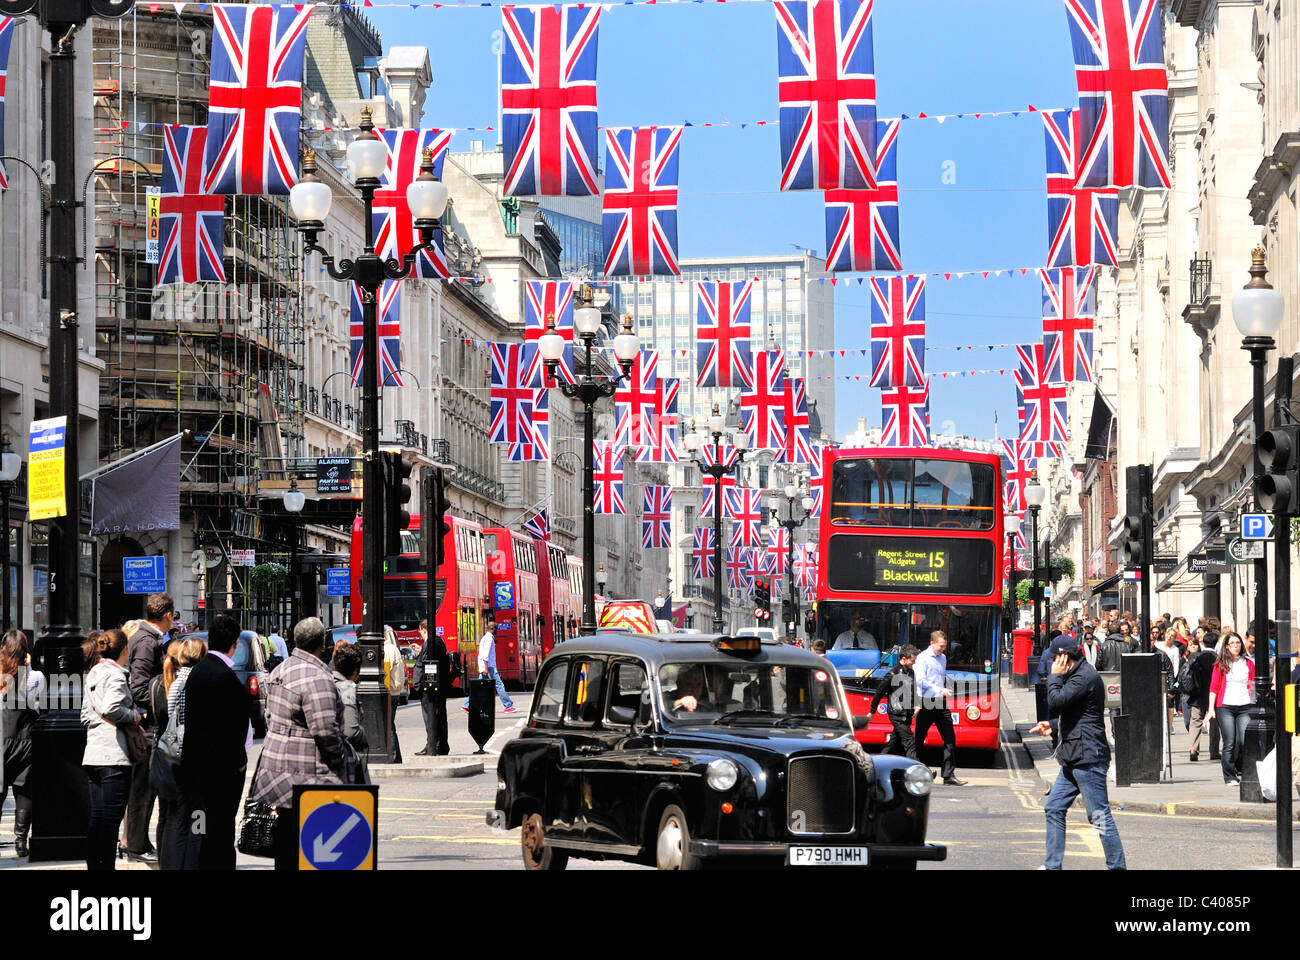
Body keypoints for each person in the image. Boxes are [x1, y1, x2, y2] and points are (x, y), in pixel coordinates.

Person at [250, 617, 351, 872]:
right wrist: (341, 760)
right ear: (323, 643)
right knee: (311, 847)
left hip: (276, 773)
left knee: (285, 844)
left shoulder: (280, 670)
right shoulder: (317, 678)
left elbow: (270, 718)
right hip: (309, 775)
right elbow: (325, 731)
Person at [1031, 635, 1126, 870]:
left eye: (1054, 658)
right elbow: (1079, 715)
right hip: (1075, 756)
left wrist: (1054, 676)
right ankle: (1052, 866)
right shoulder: (1077, 676)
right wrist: (1052, 726)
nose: (1052, 662)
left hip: (1088, 758)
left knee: (1099, 815)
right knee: (1053, 807)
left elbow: (1055, 701)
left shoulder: (1084, 677)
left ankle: (1117, 867)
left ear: (1063, 657)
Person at [181, 613, 266, 870]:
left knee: (200, 827)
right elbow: (236, 727)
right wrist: (240, 763)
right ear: (234, 643)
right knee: (222, 829)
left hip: (195, 770)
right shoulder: (227, 678)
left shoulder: (197, 672)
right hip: (221, 773)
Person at [81, 628, 145, 871]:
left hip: (93, 754)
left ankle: (94, 867)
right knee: (110, 822)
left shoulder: (94, 673)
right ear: (125, 650)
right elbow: (111, 708)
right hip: (114, 757)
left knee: (98, 819)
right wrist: (134, 716)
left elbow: (85, 716)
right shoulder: (117, 676)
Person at [124, 593, 175, 864]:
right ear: (167, 615)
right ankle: (136, 846)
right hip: (147, 726)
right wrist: (160, 701)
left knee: (146, 787)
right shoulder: (145, 641)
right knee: (142, 789)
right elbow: (139, 686)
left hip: (150, 723)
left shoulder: (151, 638)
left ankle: (139, 843)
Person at [158, 636, 204, 870]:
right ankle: (194, 860)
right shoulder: (202, 680)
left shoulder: (175, 682)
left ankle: (176, 863)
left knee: (180, 815)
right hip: (198, 756)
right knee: (199, 815)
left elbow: (170, 716)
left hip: (177, 755)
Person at [0, 630, 45, 859]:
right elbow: (40, 707)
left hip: (1, 739)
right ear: (26, 652)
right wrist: (28, 668)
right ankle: (20, 842)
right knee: (24, 791)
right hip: (26, 741)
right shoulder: (35, 677)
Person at [913, 630, 965, 786]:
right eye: (940, 646)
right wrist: (939, 690)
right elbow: (920, 681)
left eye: (944, 646)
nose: (942, 649)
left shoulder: (943, 658)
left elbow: (940, 678)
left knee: (950, 738)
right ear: (932, 643)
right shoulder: (922, 658)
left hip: (940, 702)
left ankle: (948, 775)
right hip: (926, 702)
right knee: (918, 740)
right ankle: (913, 771)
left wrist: (943, 690)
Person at [1208, 633, 1255, 786]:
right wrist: (1211, 709)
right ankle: (1229, 776)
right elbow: (1214, 688)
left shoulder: (1248, 664)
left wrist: (1254, 705)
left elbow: (1252, 685)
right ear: (1227, 646)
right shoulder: (1220, 664)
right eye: (1232, 643)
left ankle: (1240, 769)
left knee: (1244, 740)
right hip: (1225, 706)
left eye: (1238, 643)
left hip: (1245, 706)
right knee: (1229, 742)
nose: (1236, 645)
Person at [867, 643, 919, 759]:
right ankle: (919, 770)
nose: (914, 663)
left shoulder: (911, 672)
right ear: (904, 659)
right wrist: (872, 711)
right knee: (910, 742)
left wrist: (916, 705)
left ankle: (877, 763)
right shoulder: (892, 674)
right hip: (897, 714)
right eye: (912, 660)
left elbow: (913, 690)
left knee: (894, 742)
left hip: (907, 713)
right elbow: (879, 692)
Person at [331, 640, 369, 784]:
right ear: (357, 670)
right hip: (345, 760)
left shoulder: (324, 680)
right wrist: (363, 736)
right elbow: (351, 730)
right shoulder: (348, 688)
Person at [462, 614, 516, 715]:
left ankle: (466, 705)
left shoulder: (484, 638)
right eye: (497, 629)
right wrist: (486, 668)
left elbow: (481, 654)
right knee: (499, 685)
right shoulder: (489, 639)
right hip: (489, 666)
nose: (497, 631)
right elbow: (486, 654)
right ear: (494, 629)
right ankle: (508, 706)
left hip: (485, 666)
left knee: (478, 686)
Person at [414, 618, 449, 756]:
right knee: (439, 716)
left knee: (430, 718)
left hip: (430, 688)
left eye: (421, 633)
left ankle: (432, 745)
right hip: (439, 686)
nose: (421, 636)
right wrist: (421, 650)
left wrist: (421, 684)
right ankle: (441, 745)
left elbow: (426, 664)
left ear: (423, 630)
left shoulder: (430, 644)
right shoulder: (438, 641)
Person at [1181, 636, 1216, 762]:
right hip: (1212, 692)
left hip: (1196, 694)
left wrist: (1175, 689)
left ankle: (1193, 749)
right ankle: (1214, 750)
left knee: (1195, 721)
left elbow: (1181, 677)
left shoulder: (1191, 659)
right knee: (1214, 723)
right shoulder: (1215, 658)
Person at [382, 625, 406, 763]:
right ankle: (396, 756)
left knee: (389, 726)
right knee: (390, 725)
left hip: (390, 691)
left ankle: (395, 757)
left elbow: (386, 671)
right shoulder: (393, 648)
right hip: (396, 691)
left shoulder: (387, 649)